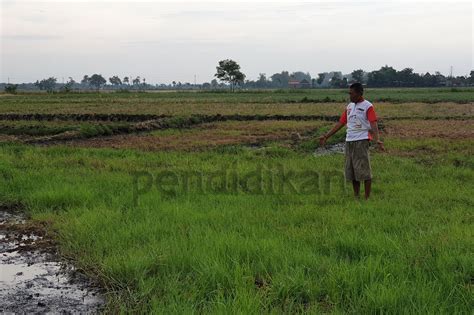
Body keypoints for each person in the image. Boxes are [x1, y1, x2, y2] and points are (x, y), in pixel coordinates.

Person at [319, 83, 384, 200]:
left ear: (359, 93)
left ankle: (367, 198)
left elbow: (373, 123)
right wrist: (326, 136)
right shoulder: (349, 106)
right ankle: (356, 197)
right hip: (349, 141)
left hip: (361, 140)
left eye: (352, 93)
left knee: (364, 170)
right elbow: (341, 123)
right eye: (349, 93)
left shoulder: (368, 106)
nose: (350, 96)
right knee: (352, 171)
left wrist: (377, 139)